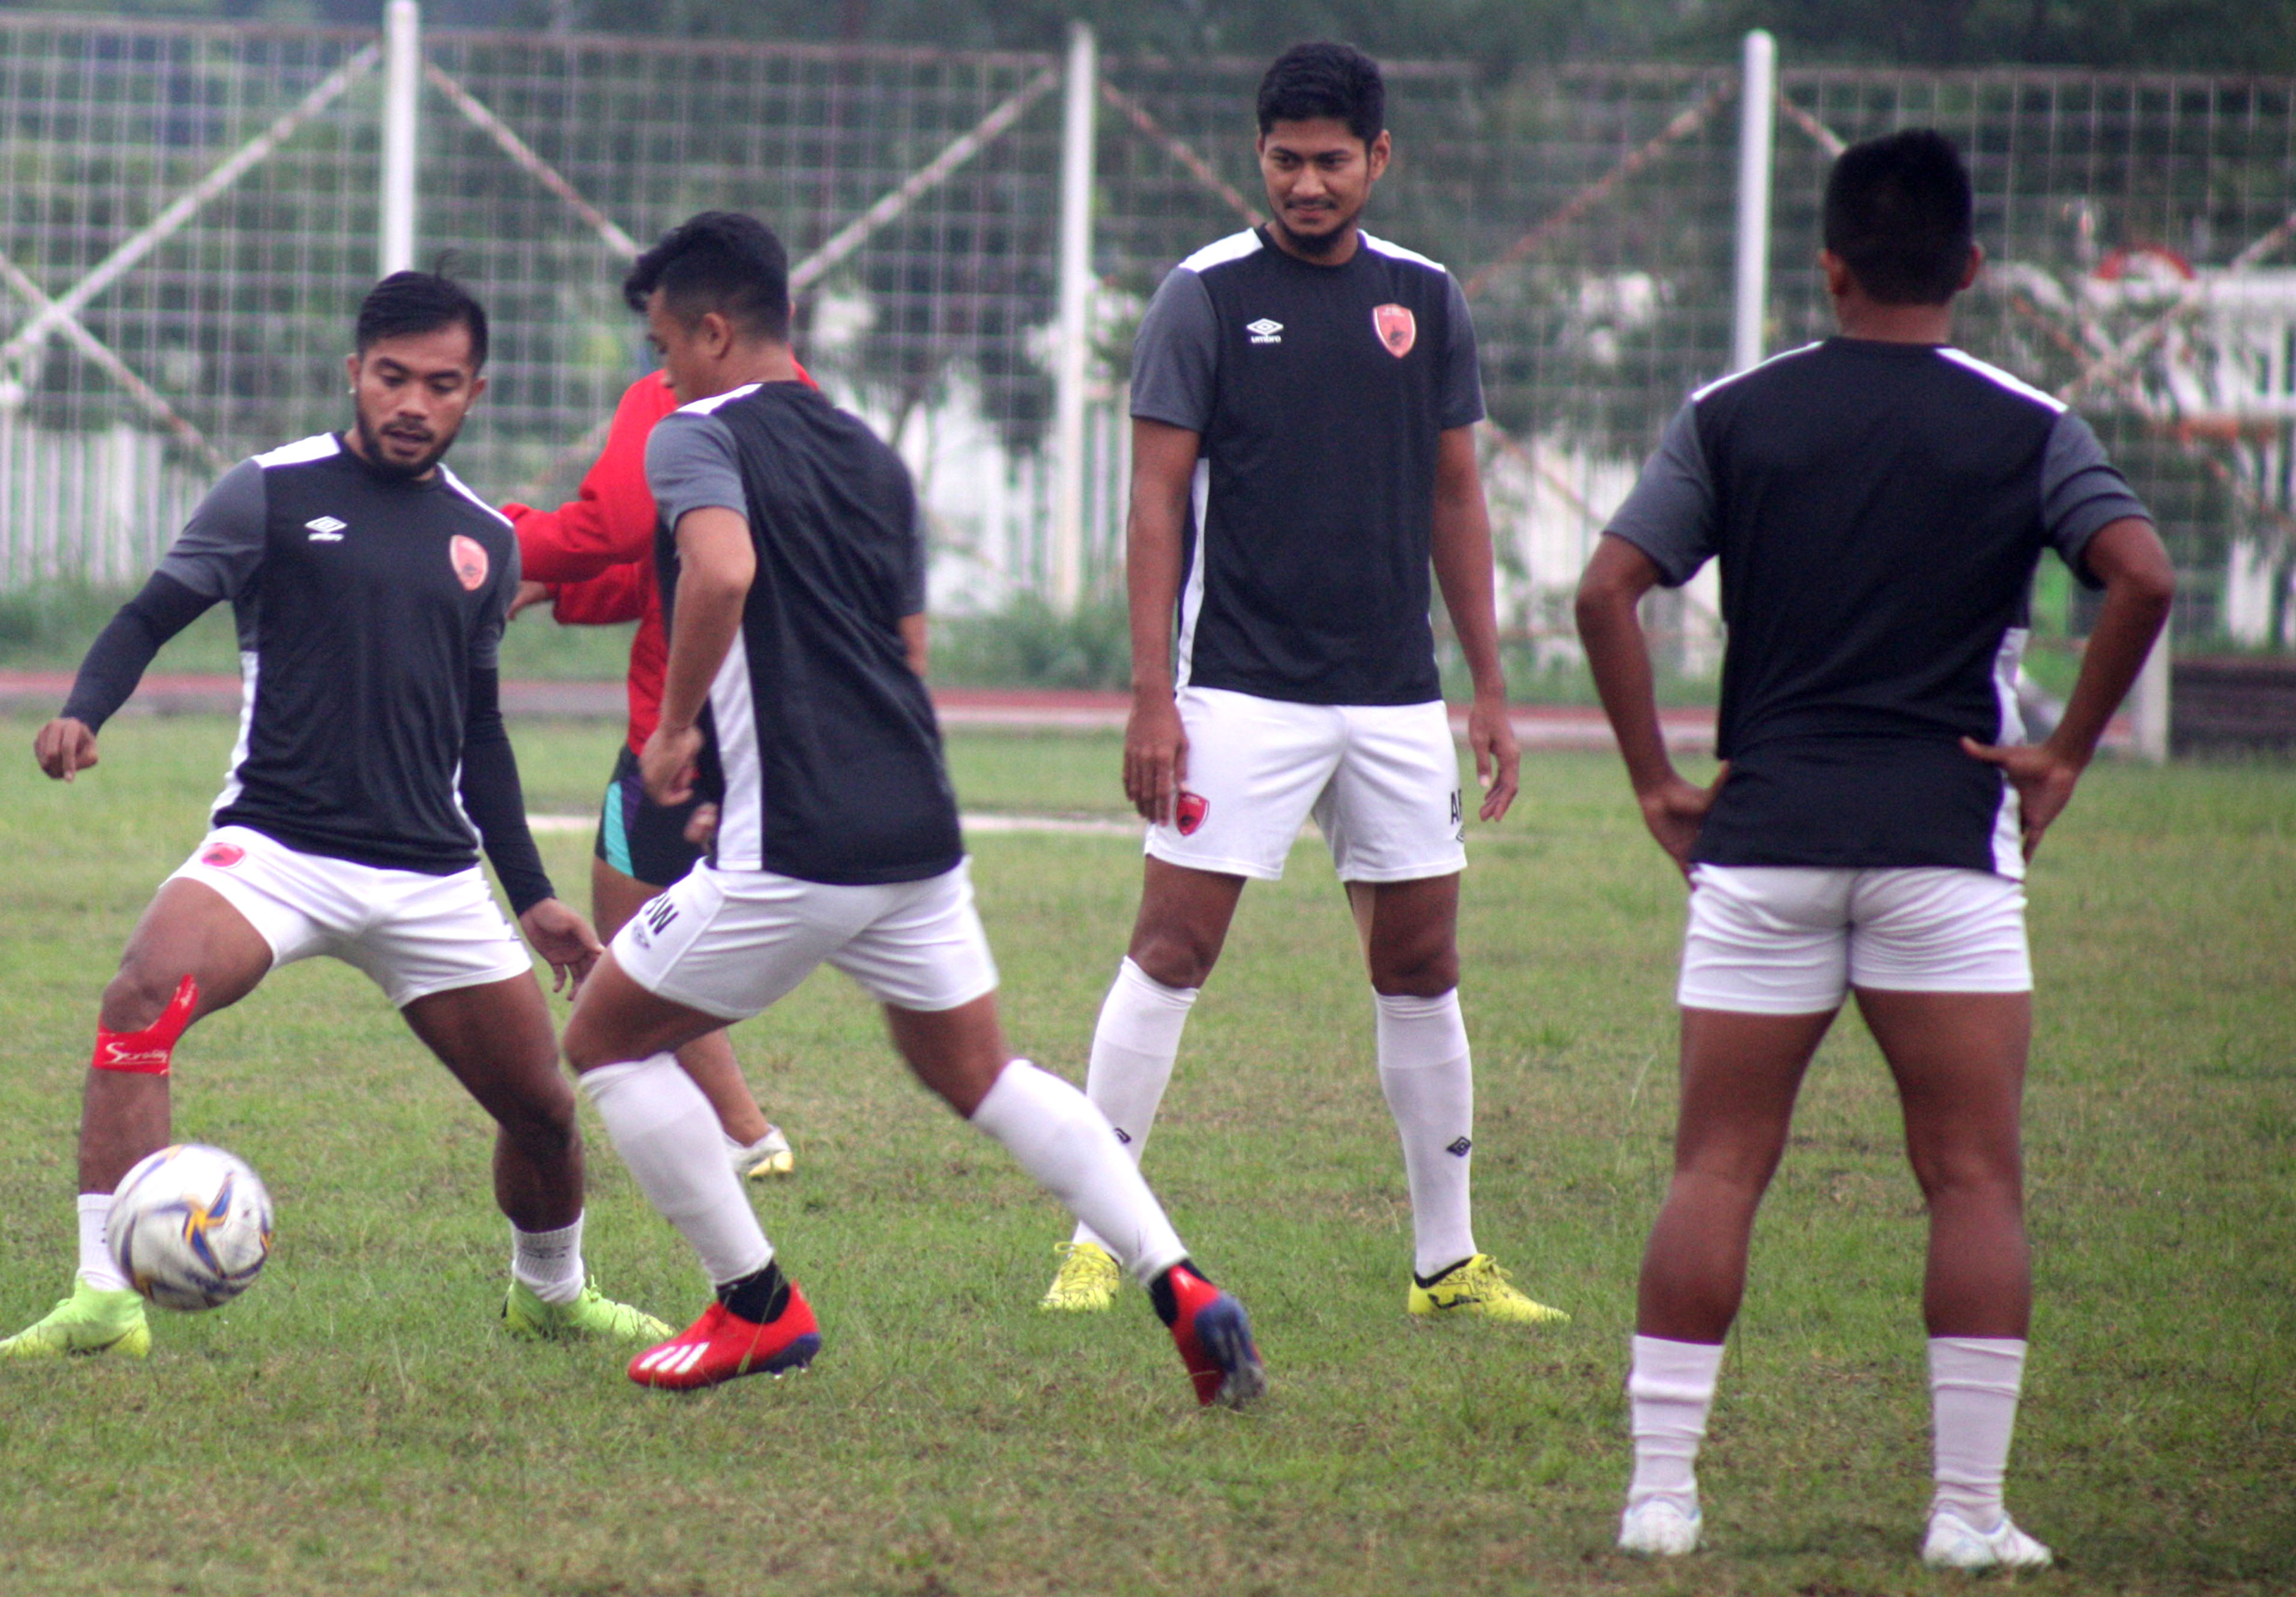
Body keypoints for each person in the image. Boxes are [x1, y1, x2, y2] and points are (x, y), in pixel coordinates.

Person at [1574, 129, 2176, 1568]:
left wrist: (1656, 781)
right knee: (1969, 1177)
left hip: (1764, 834)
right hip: (1941, 842)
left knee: (1715, 1166)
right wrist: (2062, 750)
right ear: (1969, 266)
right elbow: (2142, 576)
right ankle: (1965, 1513)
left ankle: (1659, 1498)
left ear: (1827, 267)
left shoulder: (1733, 414)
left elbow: (1604, 590)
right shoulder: (2028, 423)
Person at [553, 210, 1265, 1406]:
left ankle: (754, 1306)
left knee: (602, 1039)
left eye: (665, 346)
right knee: (979, 1071)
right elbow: (906, 653)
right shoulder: (869, 454)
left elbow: (721, 571)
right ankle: (1180, 1282)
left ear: (715, 332)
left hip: (797, 844)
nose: (660, 373)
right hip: (915, 830)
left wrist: (676, 730)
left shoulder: (691, 436)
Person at [0, 272, 671, 1362]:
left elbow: (479, 734)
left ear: (474, 393)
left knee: (541, 1107)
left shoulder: (484, 541)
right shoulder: (269, 492)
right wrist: (83, 709)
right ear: (355, 373)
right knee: (140, 998)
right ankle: (104, 1301)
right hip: (276, 850)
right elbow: (150, 614)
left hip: (431, 875)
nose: (413, 403)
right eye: (392, 377)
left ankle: (551, 1293)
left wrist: (533, 897)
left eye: (441, 384)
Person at [1036, 41, 1560, 1327]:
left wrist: (1488, 685)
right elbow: (1155, 503)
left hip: (1394, 696)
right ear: (1258, 156)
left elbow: (1455, 494)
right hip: (1238, 690)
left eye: (1331, 161)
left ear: (1378, 157)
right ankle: (1097, 1240)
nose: (1307, 184)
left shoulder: (1426, 298)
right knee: (1171, 948)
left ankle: (1447, 1263)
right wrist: (1151, 695)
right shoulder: (1204, 295)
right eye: (1285, 160)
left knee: (1422, 963)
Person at [503, 355, 834, 1183]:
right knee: (653, 947)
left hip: (679, 735)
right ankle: (739, 1131)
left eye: (662, 321)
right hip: (787, 730)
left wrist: (492, 541)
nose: (658, 342)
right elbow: (666, 565)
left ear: (704, 323)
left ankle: (741, 1134)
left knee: (627, 961)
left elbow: (610, 533)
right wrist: (558, 590)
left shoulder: (667, 398)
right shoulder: (810, 410)